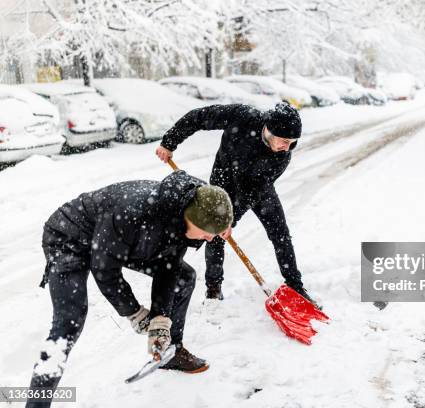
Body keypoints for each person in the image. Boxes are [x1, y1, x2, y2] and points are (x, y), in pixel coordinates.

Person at [26, 170, 232, 408]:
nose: (209, 239)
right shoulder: (132, 213)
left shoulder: (185, 212)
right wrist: (134, 312)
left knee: (184, 277)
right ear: (190, 218)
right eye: (207, 233)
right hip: (70, 238)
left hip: (122, 241)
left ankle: (169, 351)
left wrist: (160, 320)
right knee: (68, 323)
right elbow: (105, 271)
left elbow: (169, 267)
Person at [155, 102, 317, 305]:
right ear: (269, 130)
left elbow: (252, 190)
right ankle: (213, 289)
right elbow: (199, 117)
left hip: (258, 189)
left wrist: (231, 219)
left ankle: (295, 285)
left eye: (293, 142)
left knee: (280, 234)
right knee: (214, 235)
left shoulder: (282, 156)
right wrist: (169, 142)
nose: (288, 147)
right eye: (285, 141)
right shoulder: (241, 117)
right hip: (224, 184)